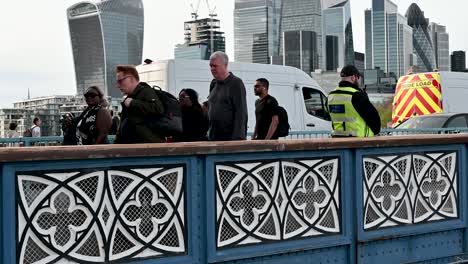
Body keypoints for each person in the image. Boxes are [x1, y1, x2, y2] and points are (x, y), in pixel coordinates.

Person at [114, 65, 165, 144]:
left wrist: (132, 103)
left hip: (148, 149)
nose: (118, 85)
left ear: (131, 79)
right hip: (133, 148)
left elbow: (158, 109)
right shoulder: (128, 98)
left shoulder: (146, 91)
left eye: (120, 81)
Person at [327, 65, 381, 137]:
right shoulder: (356, 95)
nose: (358, 81)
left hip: (337, 139)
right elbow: (374, 119)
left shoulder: (330, 96)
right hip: (359, 141)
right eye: (358, 78)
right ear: (353, 77)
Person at [207, 51, 247, 141]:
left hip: (229, 139)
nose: (212, 68)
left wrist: (237, 139)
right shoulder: (213, 84)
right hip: (213, 137)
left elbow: (241, 112)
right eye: (210, 66)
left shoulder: (236, 83)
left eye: (215, 66)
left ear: (225, 65)